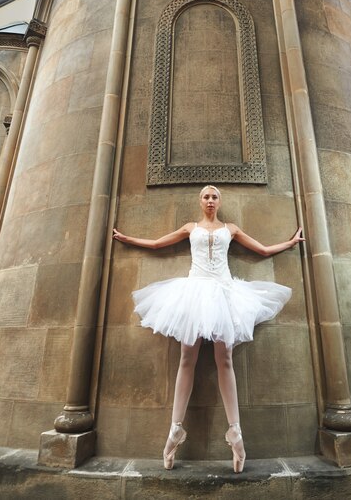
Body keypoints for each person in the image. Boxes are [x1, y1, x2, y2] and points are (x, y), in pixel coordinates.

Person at [113, 185, 304, 473]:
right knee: (186, 359)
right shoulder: (190, 228)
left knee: (224, 359)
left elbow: (263, 250)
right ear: (200, 201)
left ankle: (235, 432)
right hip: (194, 293)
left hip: (225, 293)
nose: (210, 200)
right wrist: (126, 238)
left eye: (214, 196)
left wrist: (289, 243)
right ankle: (175, 430)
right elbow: (156, 244)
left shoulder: (231, 228)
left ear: (220, 201)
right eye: (206, 196)